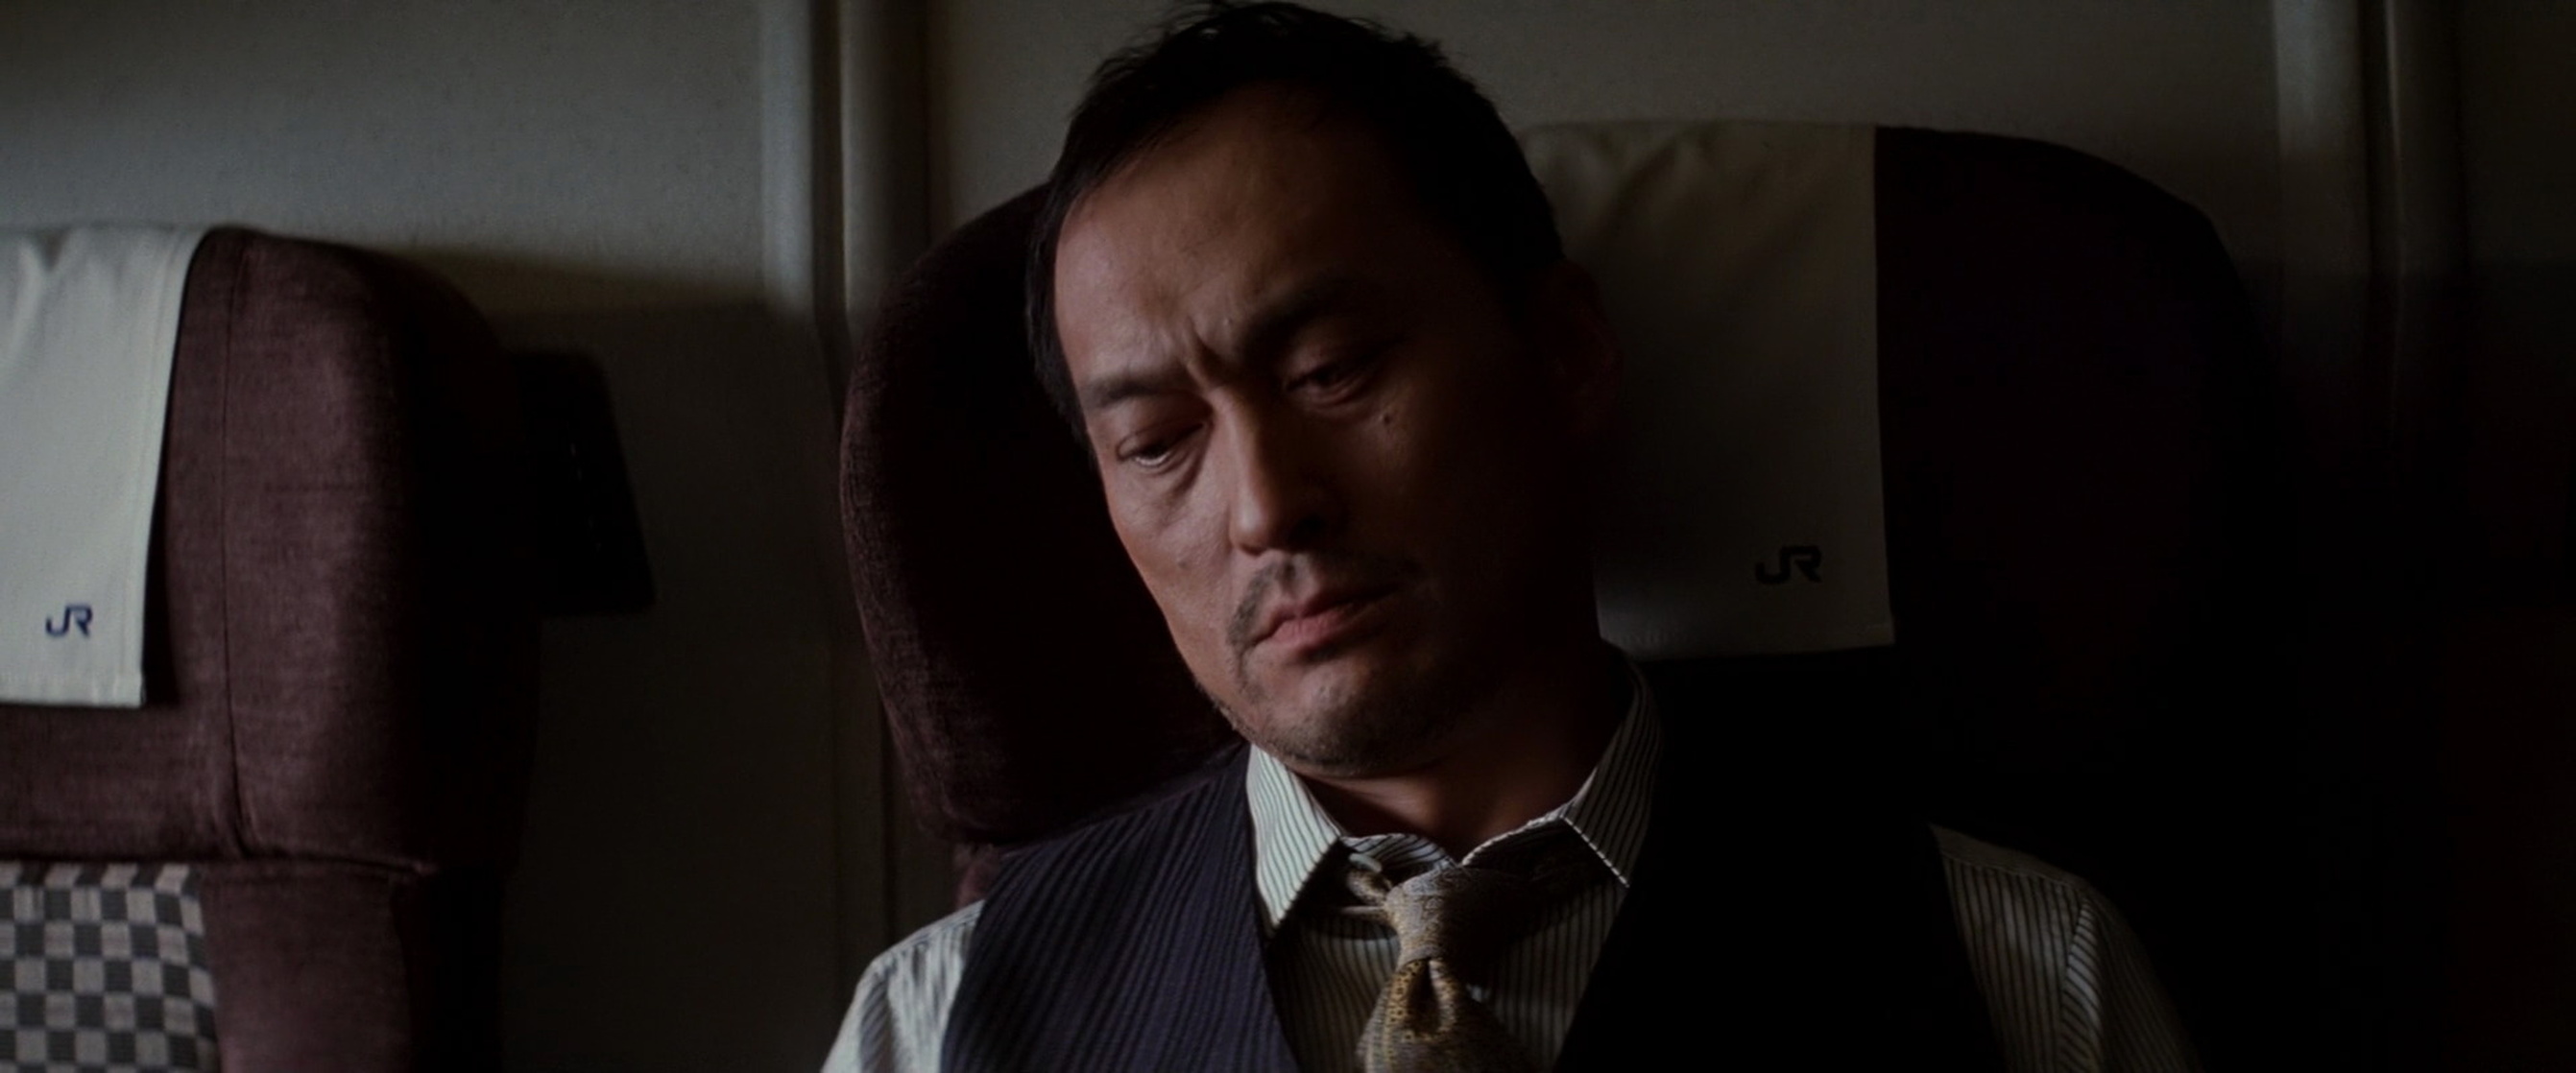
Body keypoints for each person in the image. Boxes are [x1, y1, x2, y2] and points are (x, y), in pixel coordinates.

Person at [824, 4, 2201, 1070]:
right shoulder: (939, 1022)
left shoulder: (2025, 976)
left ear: (1563, 355)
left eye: (1333, 369)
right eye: (1157, 442)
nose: (1265, 506)